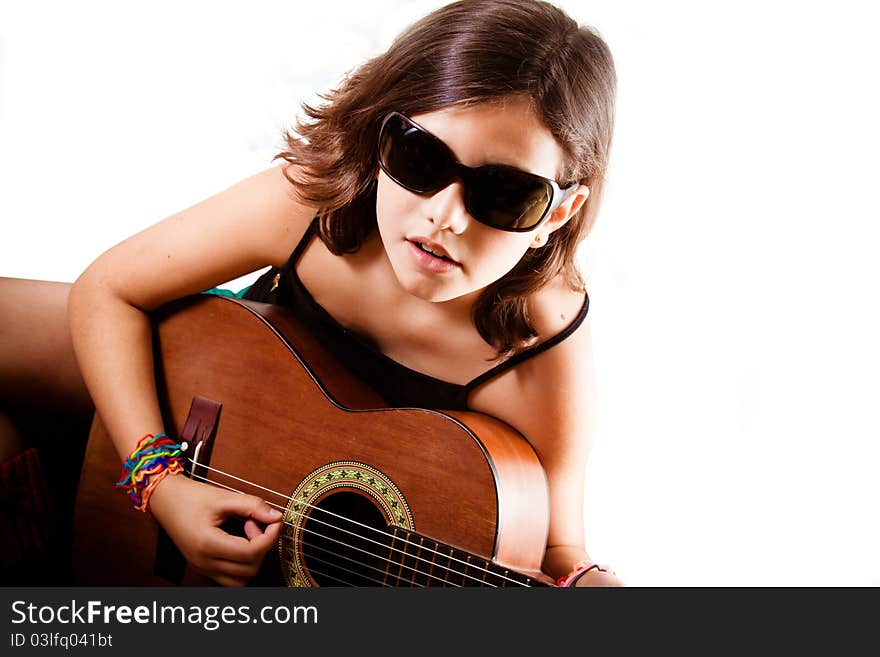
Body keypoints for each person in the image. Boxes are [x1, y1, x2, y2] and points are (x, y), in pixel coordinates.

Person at [0, 0, 621, 587]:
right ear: (382, 137)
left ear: (560, 212)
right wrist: (159, 484)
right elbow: (110, 289)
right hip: (194, 379)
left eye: (505, 194)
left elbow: (558, 550)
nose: (444, 217)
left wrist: (592, 584)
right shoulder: (317, 203)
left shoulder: (543, 345)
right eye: (420, 157)